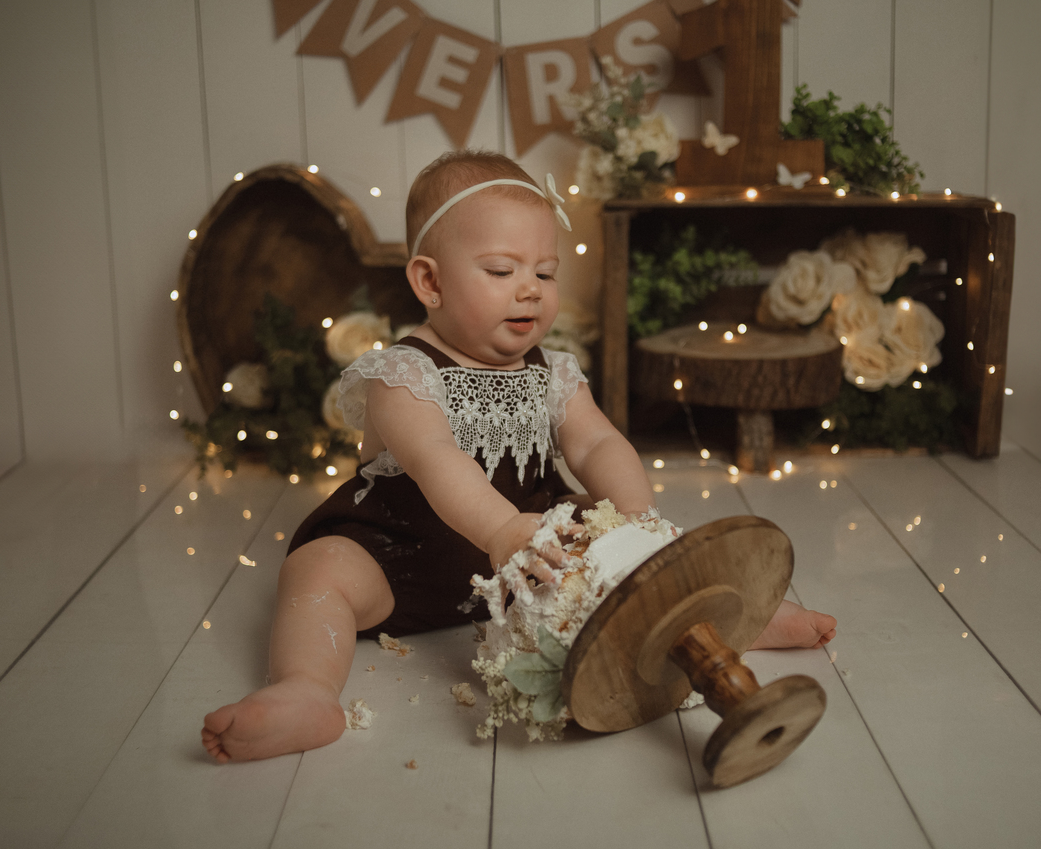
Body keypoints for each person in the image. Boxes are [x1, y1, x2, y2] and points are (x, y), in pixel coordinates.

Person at [202, 150, 836, 763]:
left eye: (545, 273)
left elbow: (595, 442)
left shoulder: (552, 370)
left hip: (536, 553)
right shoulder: (403, 375)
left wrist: (636, 522)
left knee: (609, 536)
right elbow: (435, 457)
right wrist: (501, 529)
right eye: (503, 271)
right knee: (318, 570)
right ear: (430, 281)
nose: (530, 290)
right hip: (404, 556)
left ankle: (728, 620)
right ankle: (307, 689)